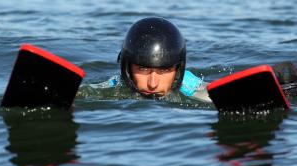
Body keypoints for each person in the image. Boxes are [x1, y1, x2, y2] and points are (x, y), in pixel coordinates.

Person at [85, 17, 296, 102]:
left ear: (177, 70)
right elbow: (83, 93)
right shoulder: (117, 84)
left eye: (164, 71)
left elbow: (222, 92)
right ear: (127, 69)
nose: (152, 83)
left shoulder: (189, 86)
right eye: (143, 70)